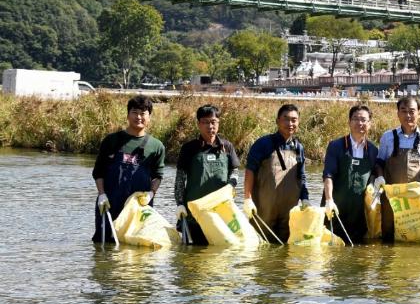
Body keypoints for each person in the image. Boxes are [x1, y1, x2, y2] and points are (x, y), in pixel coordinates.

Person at [92, 95, 165, 243]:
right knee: (104, 246)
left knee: (136, 247)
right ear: (127, 115)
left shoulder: (156, 146)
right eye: (135, 112)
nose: (139, 117)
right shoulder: (111, 140)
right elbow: (98, 171)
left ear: (149, 117)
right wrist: (101, 195)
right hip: (109, 204)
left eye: (143, 113)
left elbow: (158, 175)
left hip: (139, 207)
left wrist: (151, 193)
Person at [374, 96, 420, 242]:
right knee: (388, 238)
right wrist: (379, 177)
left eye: (412, 111)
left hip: (416, 199)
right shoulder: (387, 137)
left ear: (419, 113)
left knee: (417, 237)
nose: (408, 115)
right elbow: (379, 162)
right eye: (403, 111)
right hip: (391, 199)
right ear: (397, 114)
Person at [173, 104, 240, 245]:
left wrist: (231, 184)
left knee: (220, 255)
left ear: (218, 123)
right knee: (191, 257)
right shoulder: (189, 148)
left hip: (220, 213)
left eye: (213, 122)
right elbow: (180, 178)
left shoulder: (227, 147)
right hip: (193, 213)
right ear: (199, 124)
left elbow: (235, 171)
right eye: (205, 122)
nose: (210, 126)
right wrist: (180, 204)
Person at [242, 104, 309, 243]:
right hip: (263, 209)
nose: (290, 123)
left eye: (294, 120)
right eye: (285, 119)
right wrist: (247, 199)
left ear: (298, 122)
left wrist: (305, 199)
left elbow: (301, 176)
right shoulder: (263, 144)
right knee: (260, 246)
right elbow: (250, 171)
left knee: (284, 250)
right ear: (277, 121)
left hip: (288, 211)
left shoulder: (299, 148)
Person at [321, 104, 379, 243]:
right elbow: (328, 175)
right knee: (332, 252)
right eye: (355, 119)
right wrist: (329, 200)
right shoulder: (336, 146)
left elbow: (374, 176)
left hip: (359, 213)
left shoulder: (373, 150)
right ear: (349, 122)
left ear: (369, 124)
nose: (359, 123)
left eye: (364, 120)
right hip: (336, 209)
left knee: (358, 254)